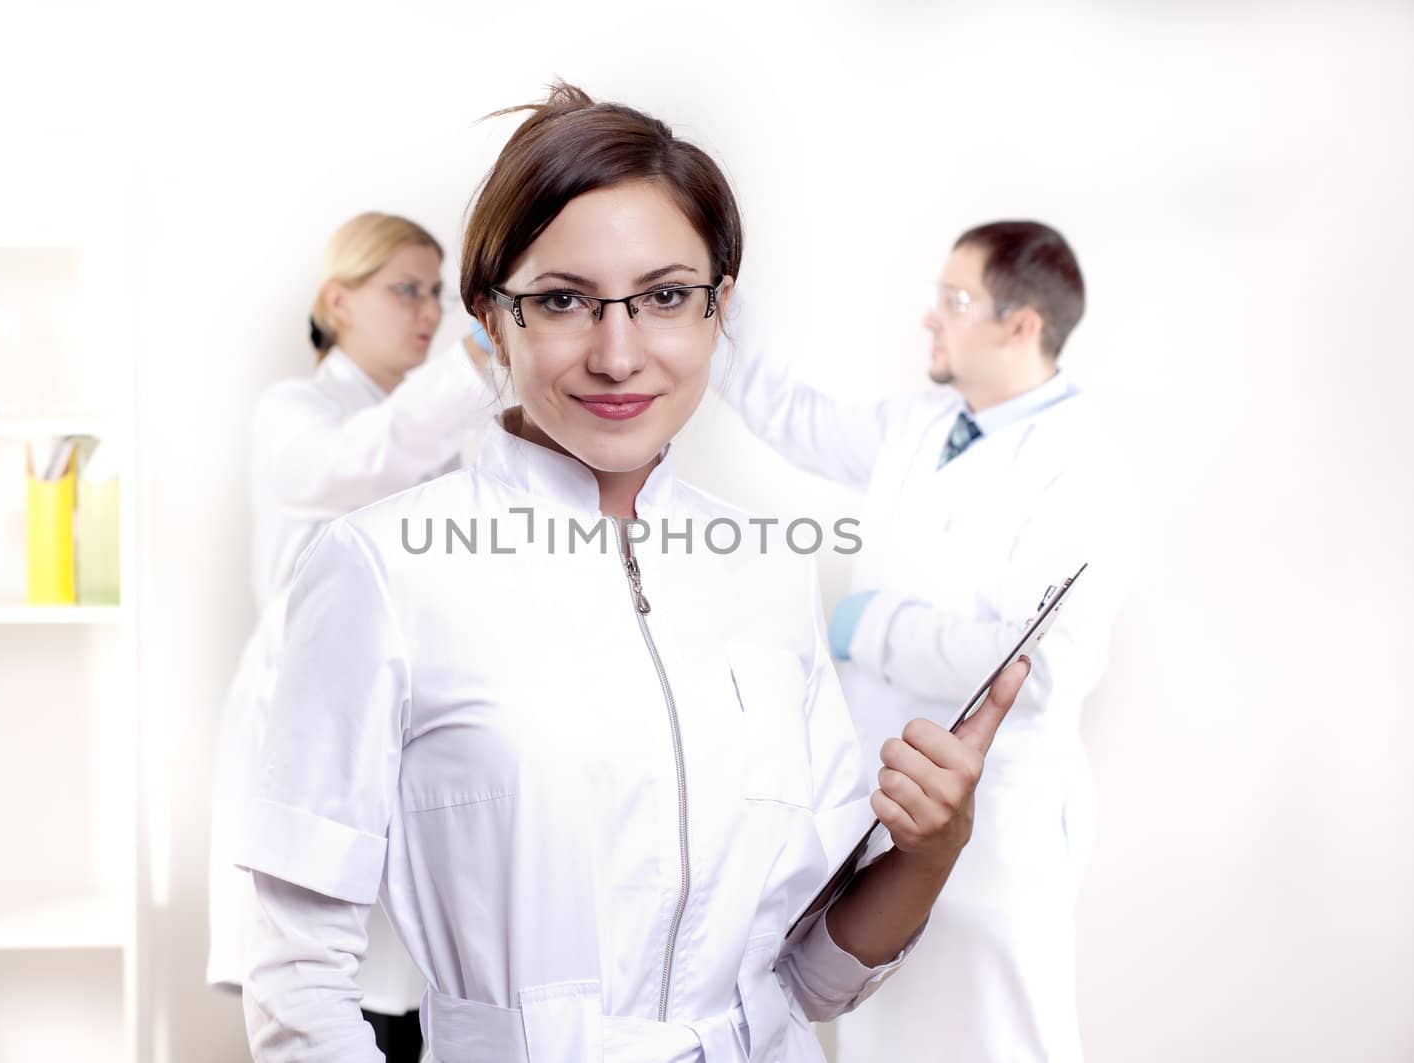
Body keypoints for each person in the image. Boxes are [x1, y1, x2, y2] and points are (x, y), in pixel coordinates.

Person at [237, 83, 1033, 1063]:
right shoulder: (381, 570)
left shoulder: (765, 571)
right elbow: (298, 982)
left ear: (718, 308)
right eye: (563, 300)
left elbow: (801, 980)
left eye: (663, 297)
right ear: (491, 316)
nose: (619, 355)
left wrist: (929, 849)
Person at [716, 220, 1144, 1061]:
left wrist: (864, 625)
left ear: (1021, 325)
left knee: (997, 1034)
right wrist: (713, 301)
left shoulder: (1082, 470)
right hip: (887, 801)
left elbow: (1030, 663)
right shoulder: (925, 423)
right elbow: (792, 417)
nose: (930, 319)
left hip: (996, 817)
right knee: (884, 1027)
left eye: (955, 301)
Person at [206, 211, 498, 1061]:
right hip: (313, 722)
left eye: (437, 294)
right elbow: (366, 460)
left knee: (403, 991)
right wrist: (475, 363)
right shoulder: (296, 412)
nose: (429, 311)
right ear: (338, 298)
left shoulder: (437, 433)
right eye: (406, 287)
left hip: (409, 716)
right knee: (323, 986)